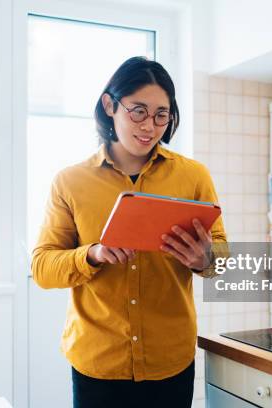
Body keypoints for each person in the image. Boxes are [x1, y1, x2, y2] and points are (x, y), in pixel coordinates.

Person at [31, 56, 227, 408]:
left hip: (170, 360)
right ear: (110, 105)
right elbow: (42, 268)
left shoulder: (194, 177)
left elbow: (222, 258)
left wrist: (206, 259)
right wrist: (92, 253)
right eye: (138, 111)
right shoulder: (70, 182)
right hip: (98, 361)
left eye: (161, 115)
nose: (149, 126)